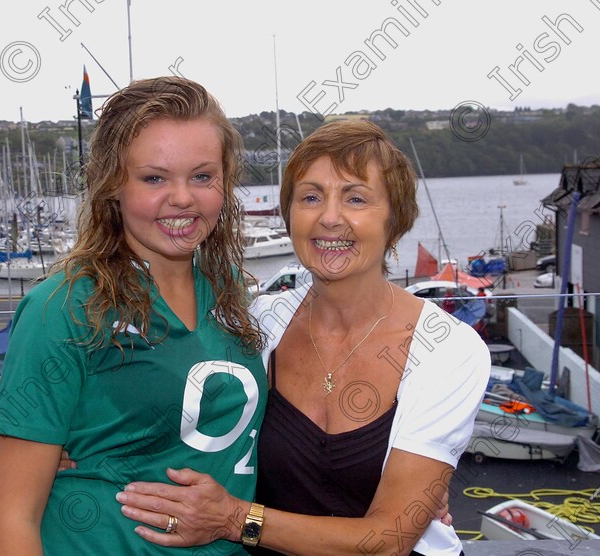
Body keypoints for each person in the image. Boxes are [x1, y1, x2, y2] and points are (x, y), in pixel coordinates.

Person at [116, 120, 491, 555]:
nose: (329, 218)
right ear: (290, 214)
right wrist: (70, 444)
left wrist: (235, 519)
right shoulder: (259, 322)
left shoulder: (447, 348)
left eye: (355, 198)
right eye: (310, 197)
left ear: (396, 218)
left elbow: (388, 540)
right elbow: (162, 398)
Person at [0, 77, 267, 555]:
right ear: (113, 183)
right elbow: (10, 519)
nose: (182, 198)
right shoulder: (65, 308)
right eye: (154, 178)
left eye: (202, 176)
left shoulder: (234, 295)